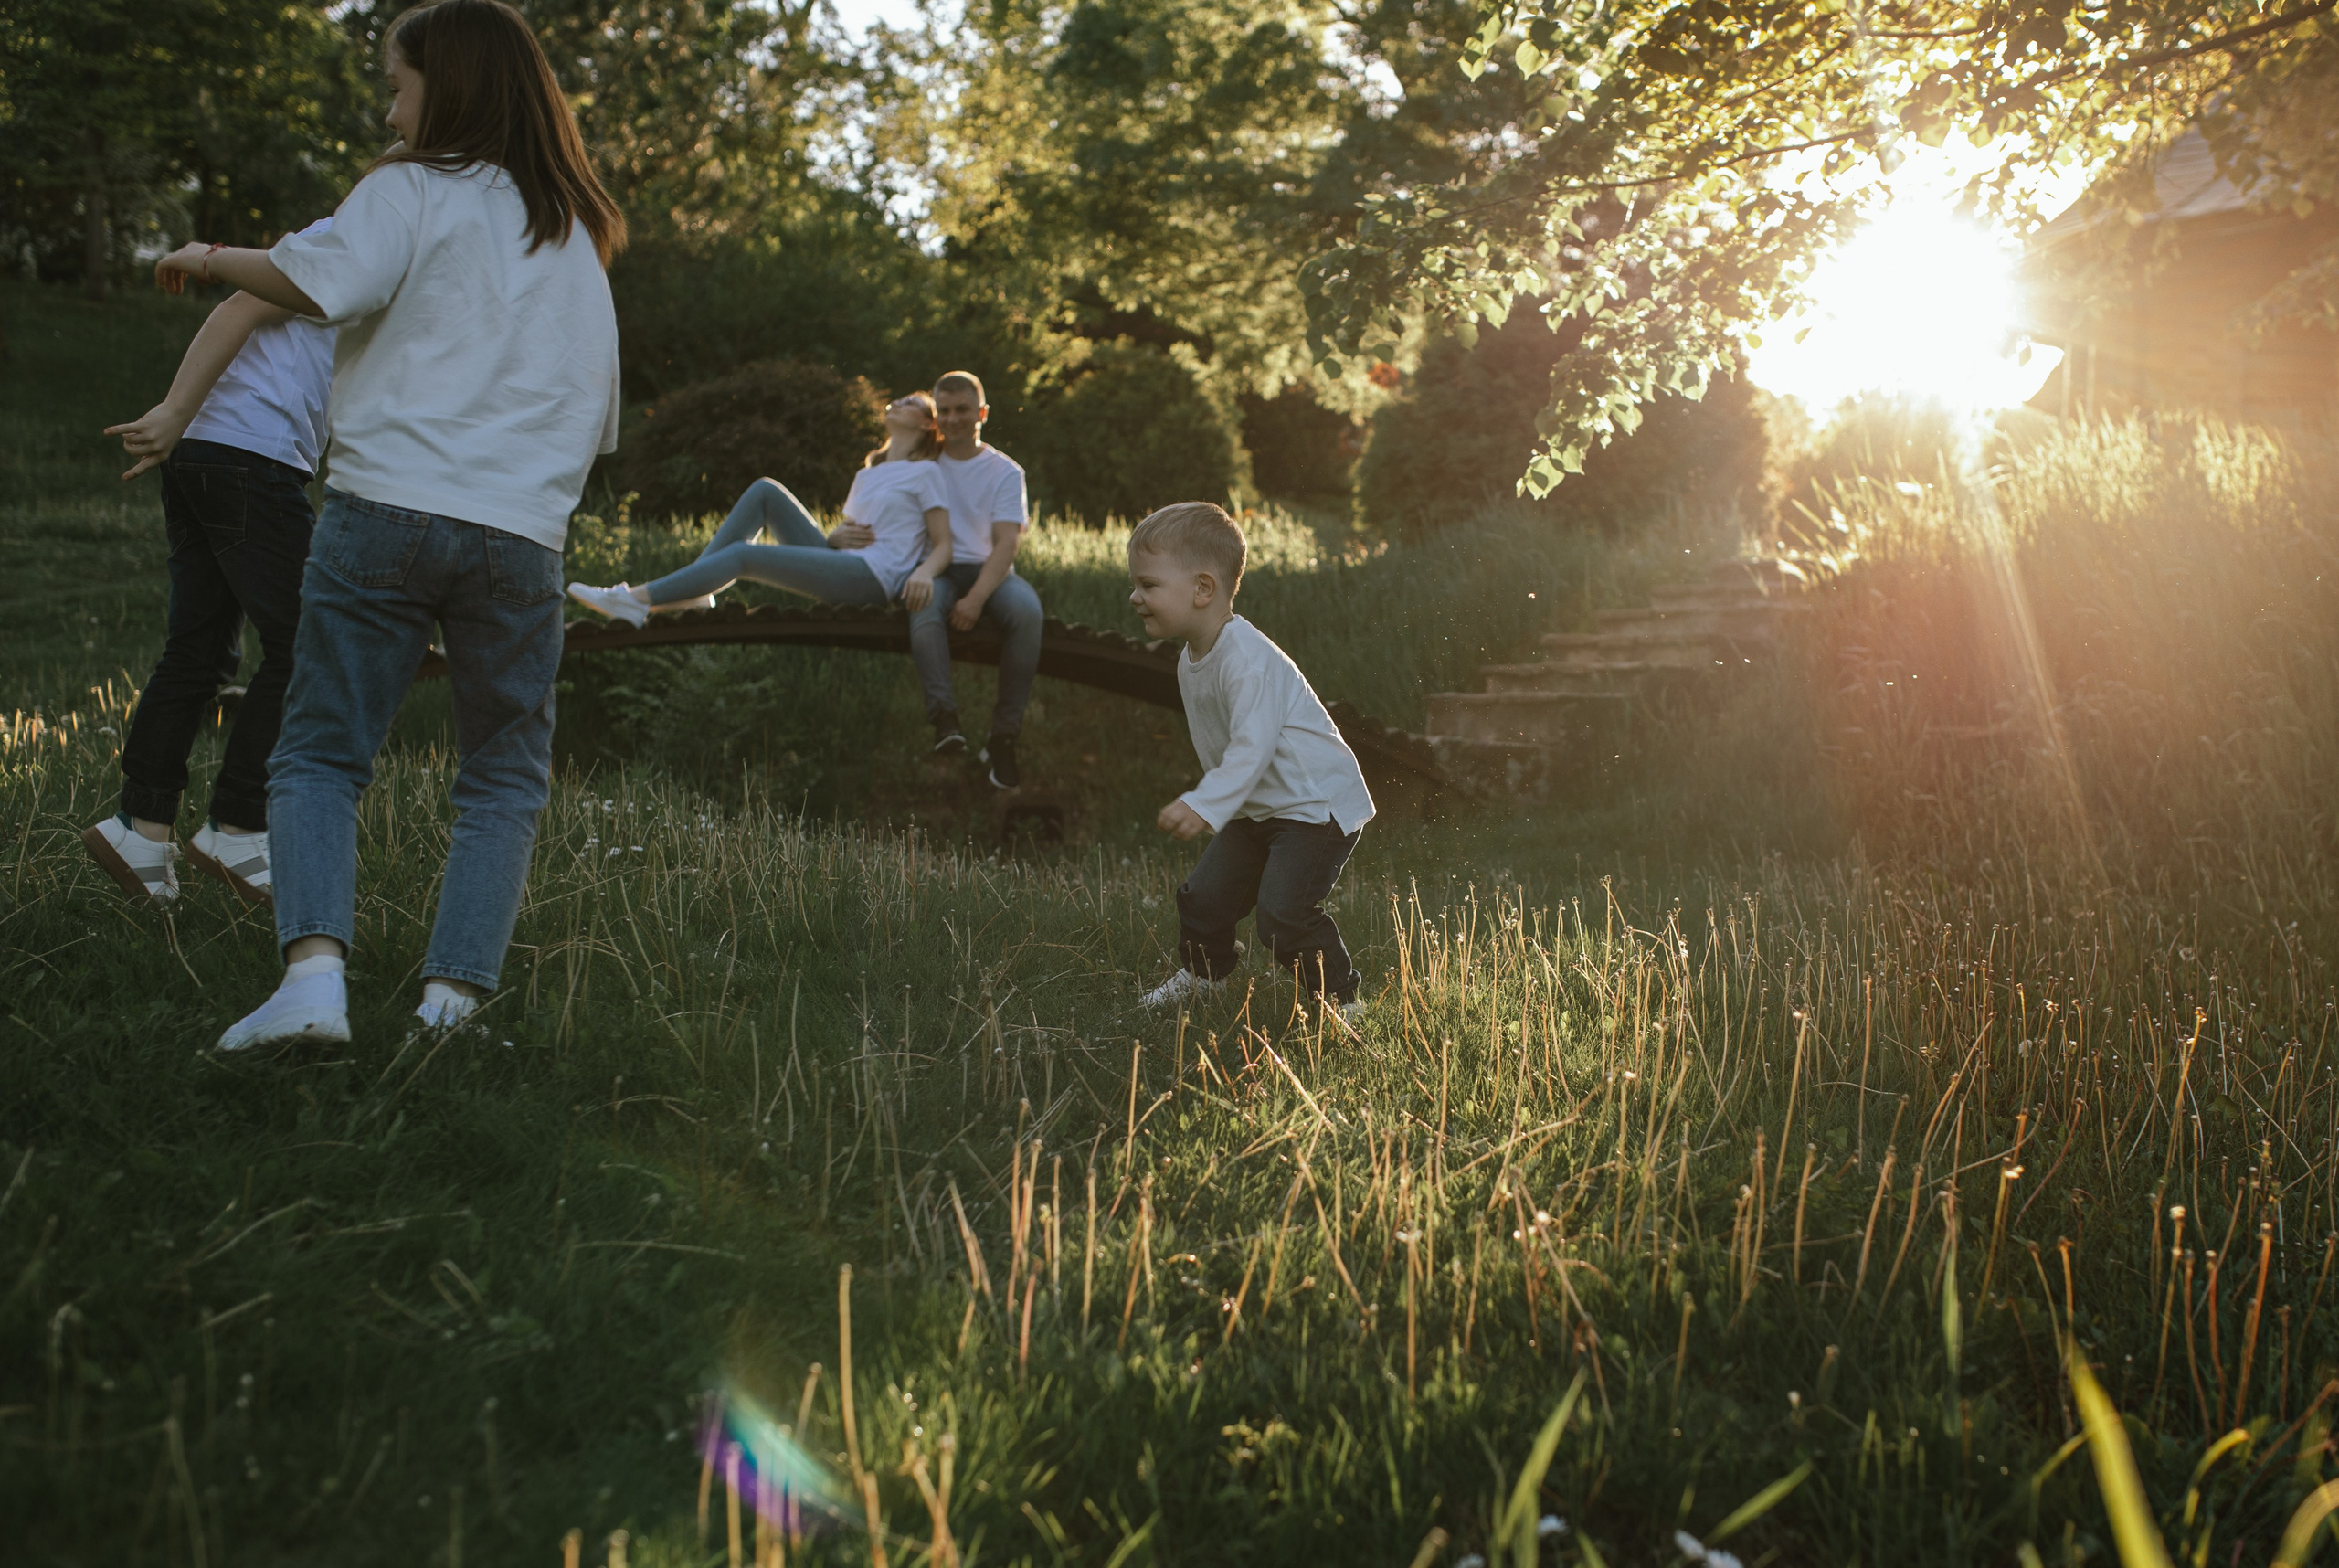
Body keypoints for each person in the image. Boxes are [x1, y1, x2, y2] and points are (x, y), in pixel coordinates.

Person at [149, 0, 627, 1051]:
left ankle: (314, 984)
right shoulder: (574, 235)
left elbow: (314, 278)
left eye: (397, 81)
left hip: (388, 514)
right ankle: (450, 1011)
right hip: (522, 540)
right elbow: (596, 426)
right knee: (502, 777)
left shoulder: (408, 190)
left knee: (321, 751)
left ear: (444, 86)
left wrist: (217, 255)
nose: (390, 101)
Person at [79, 220, 334, 907]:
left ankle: (143, 825)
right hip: (249, 457)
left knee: (199, 649)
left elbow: (243, 276)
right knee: (312, 639)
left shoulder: (358, 244)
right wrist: (173, 408)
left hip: (213, 454)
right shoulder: (360, 238)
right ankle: (239, 822)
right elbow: (241, 305)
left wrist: (202, 255)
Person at [1125, 502, 1374, 1023]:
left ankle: (1344, 1002)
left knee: (1283, 917)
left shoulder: (1245, 659)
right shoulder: (1191, 657)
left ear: (1202, 589)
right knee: (1204, 899)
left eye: (1148, 585)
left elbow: (1252, 748)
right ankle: (1203, 975)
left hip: (1314, 807)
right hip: (1258, 808)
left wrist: (1206, 802)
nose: (1135, 597)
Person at [564, 391, 952, 624]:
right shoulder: (870, 472)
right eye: (898, 400)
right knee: (765, 491)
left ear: (926, 424)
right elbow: (848, 539)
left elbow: (942, 544)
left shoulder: (927, 474)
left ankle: (634, 600)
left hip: (875, 579)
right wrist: (833, 537)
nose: (896, 403)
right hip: (848, 565)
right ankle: (699, 590)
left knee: (743, 556)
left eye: (910, 403)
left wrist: (924, 576)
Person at [893, 371, 1042, 789]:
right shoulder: (920, 465)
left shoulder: (1005, 472)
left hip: (987, 569)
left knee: (1028, 613)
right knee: (922, 605)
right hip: (934, 569)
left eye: (962, 410)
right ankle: (945, 720)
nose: (953, 419)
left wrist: (976, 598)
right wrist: (842, 533)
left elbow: (1006, 545)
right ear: (935, 414)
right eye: (944, 410)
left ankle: (1004, 737)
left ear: (982, 413)